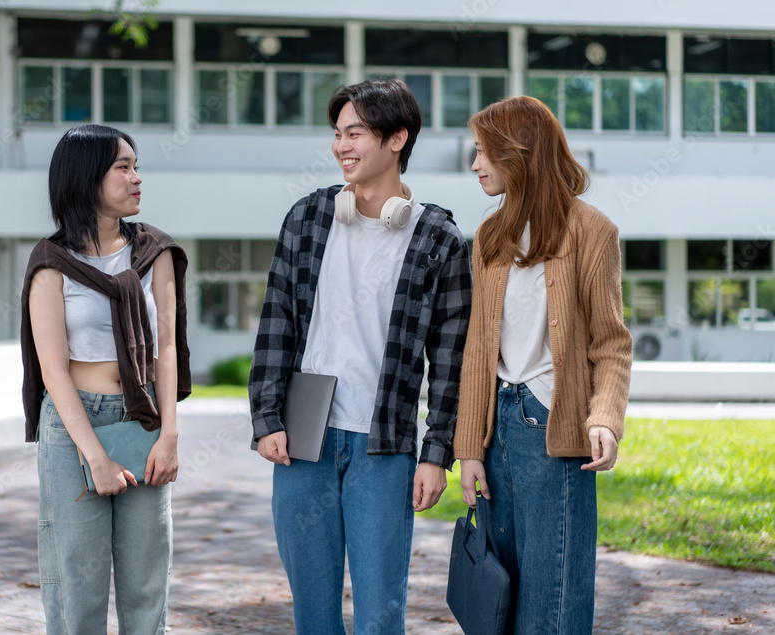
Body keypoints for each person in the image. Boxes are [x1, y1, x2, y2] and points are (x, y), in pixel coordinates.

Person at [249, 78, 472, 634]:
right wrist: (266, 417)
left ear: (397, 139)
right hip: (305, 437)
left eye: (356, 133)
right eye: (337, 133)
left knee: (380, 613)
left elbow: (452, 360)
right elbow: (276, 322)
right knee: (313, 612)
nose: (341, 146)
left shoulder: (439, 239)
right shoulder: (308, 218)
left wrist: (435, 453)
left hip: (385, 444)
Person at [454, 95, 632, 634]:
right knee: (499, 600)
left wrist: (604, 418)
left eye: (484, 152)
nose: (475, 164)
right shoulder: (489, 237)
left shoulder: (591, 231)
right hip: (496, 431)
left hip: (553, 428)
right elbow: (477, 352)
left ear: (520, 152)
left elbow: (611, 343)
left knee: (553, 599)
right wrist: (469, 450)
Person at [19, 124, 191, 635]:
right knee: (77, 586)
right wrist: (95, 457)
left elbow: (165, 348)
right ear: (87, 177)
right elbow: (53, 370)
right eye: (124, 167)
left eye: (137, 166)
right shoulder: (51, 264)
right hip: (75, 425)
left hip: (141, 418)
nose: (137, 178)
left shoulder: (154, 252)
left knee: (145, 582)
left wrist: (169, 434)